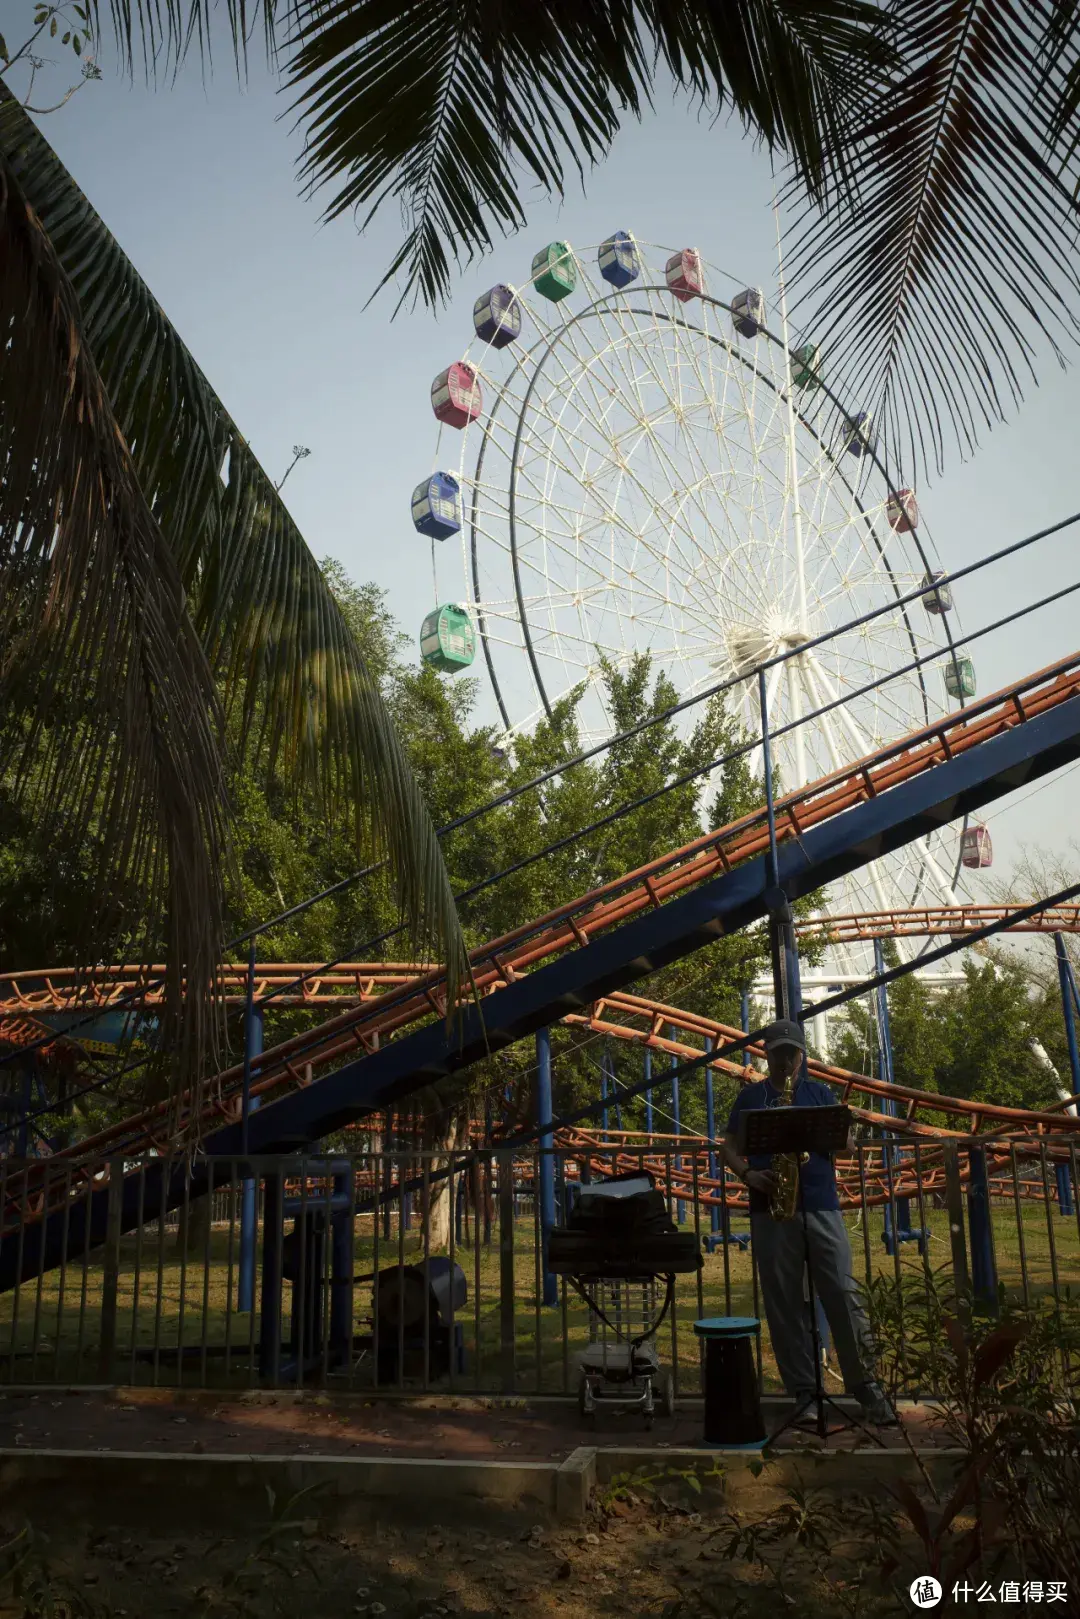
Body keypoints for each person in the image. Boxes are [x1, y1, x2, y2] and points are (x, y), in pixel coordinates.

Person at [721, 1017, 896, 1427]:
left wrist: (841, 1134)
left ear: (802, 1055)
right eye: (777, 1053)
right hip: (771, 1208)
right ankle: (804, 1391)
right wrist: (747, 1175)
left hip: (820, 1204)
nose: (784, 1060)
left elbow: (847, 1146)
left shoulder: (819, 1093)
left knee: (842, 1293)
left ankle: (866, 1386)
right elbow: (727, 1147)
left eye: (790, 1053)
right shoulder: (750, 1097)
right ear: (767, 1054)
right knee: (783, 1303)